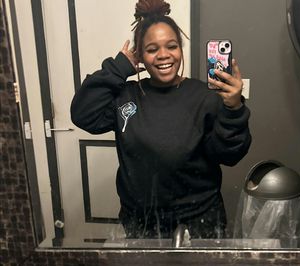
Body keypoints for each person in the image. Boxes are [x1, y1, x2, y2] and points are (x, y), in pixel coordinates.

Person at [70, 0, 251, 239]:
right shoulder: (126, 96)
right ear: (140, 56)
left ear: (180, 49)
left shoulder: (205, 97)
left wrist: (234, 108)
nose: (163, 55)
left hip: (199, 222)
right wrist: (119, 68)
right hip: (140, 223)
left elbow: (229, 155)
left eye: (171, 46)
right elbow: (83, 114)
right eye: (152, 49)